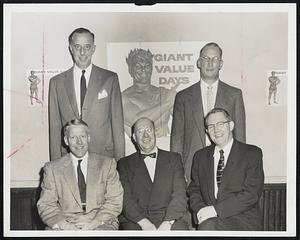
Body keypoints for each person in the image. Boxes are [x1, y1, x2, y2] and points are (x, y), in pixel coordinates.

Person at [171, 42, 246, 183]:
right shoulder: (183, 97)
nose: (210, 63)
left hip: (227, 169)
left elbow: (240, 138)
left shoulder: (235, 95)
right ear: (199, 62)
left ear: (221, 64)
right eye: (205, 58)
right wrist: (179, 174)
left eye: (215, 59)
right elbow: (176, 140)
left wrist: (239, 171)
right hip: (192, 170)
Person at [48, 27, 125, 161]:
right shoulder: (56, 83)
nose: (82, 52)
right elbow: (54, 129)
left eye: (87, 47)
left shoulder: (110, 79)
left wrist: (122, 166)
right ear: (71, 48)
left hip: (104, 159)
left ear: (93, 48)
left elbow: (118, 127)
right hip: (68, 160)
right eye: (77, 47)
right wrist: (56, 166)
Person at [37, 119, 123, 230]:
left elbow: (115, 200)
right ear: (66, 141)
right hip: (67, 222)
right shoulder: (52, 168)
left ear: (88, 138)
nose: (79, 142)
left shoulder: (107, 164)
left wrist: (94, 223)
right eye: (73, 137)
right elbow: (46, 204)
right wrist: (65, 225)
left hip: (101, 221)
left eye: (82, 136)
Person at [187, 108, 264, 231]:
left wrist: (215, 210)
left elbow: (251, 194)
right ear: (207, 131)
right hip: (209, 220)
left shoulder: (252, 153)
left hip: (242, 221)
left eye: (220, 124)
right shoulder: (200, 156)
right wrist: (201, 210)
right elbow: (194, 189)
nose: (216, 130)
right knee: (207, 226)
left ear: (231, 125)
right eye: (211, 126)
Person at [117, 117, 189, 230]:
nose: (146, 135)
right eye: (140, 132)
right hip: (136, 220)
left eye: (149, 130)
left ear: (155, 132)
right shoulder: (124, 164)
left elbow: (180, 194)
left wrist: (168, 222)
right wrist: (143, 223)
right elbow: (125, 199)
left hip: (169, 218)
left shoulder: (174, 159)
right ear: (134, 138)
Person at [122, 48, 178, 138]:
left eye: (147, 66)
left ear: (151, 69)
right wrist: (167, 103)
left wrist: (172, 134)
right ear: (130, 70)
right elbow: (137, 121)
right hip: (139, 149)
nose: (143, 70)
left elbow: (184, 121)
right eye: (138, 66)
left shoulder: (164, 93)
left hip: (166, 145)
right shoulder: (123, 97)